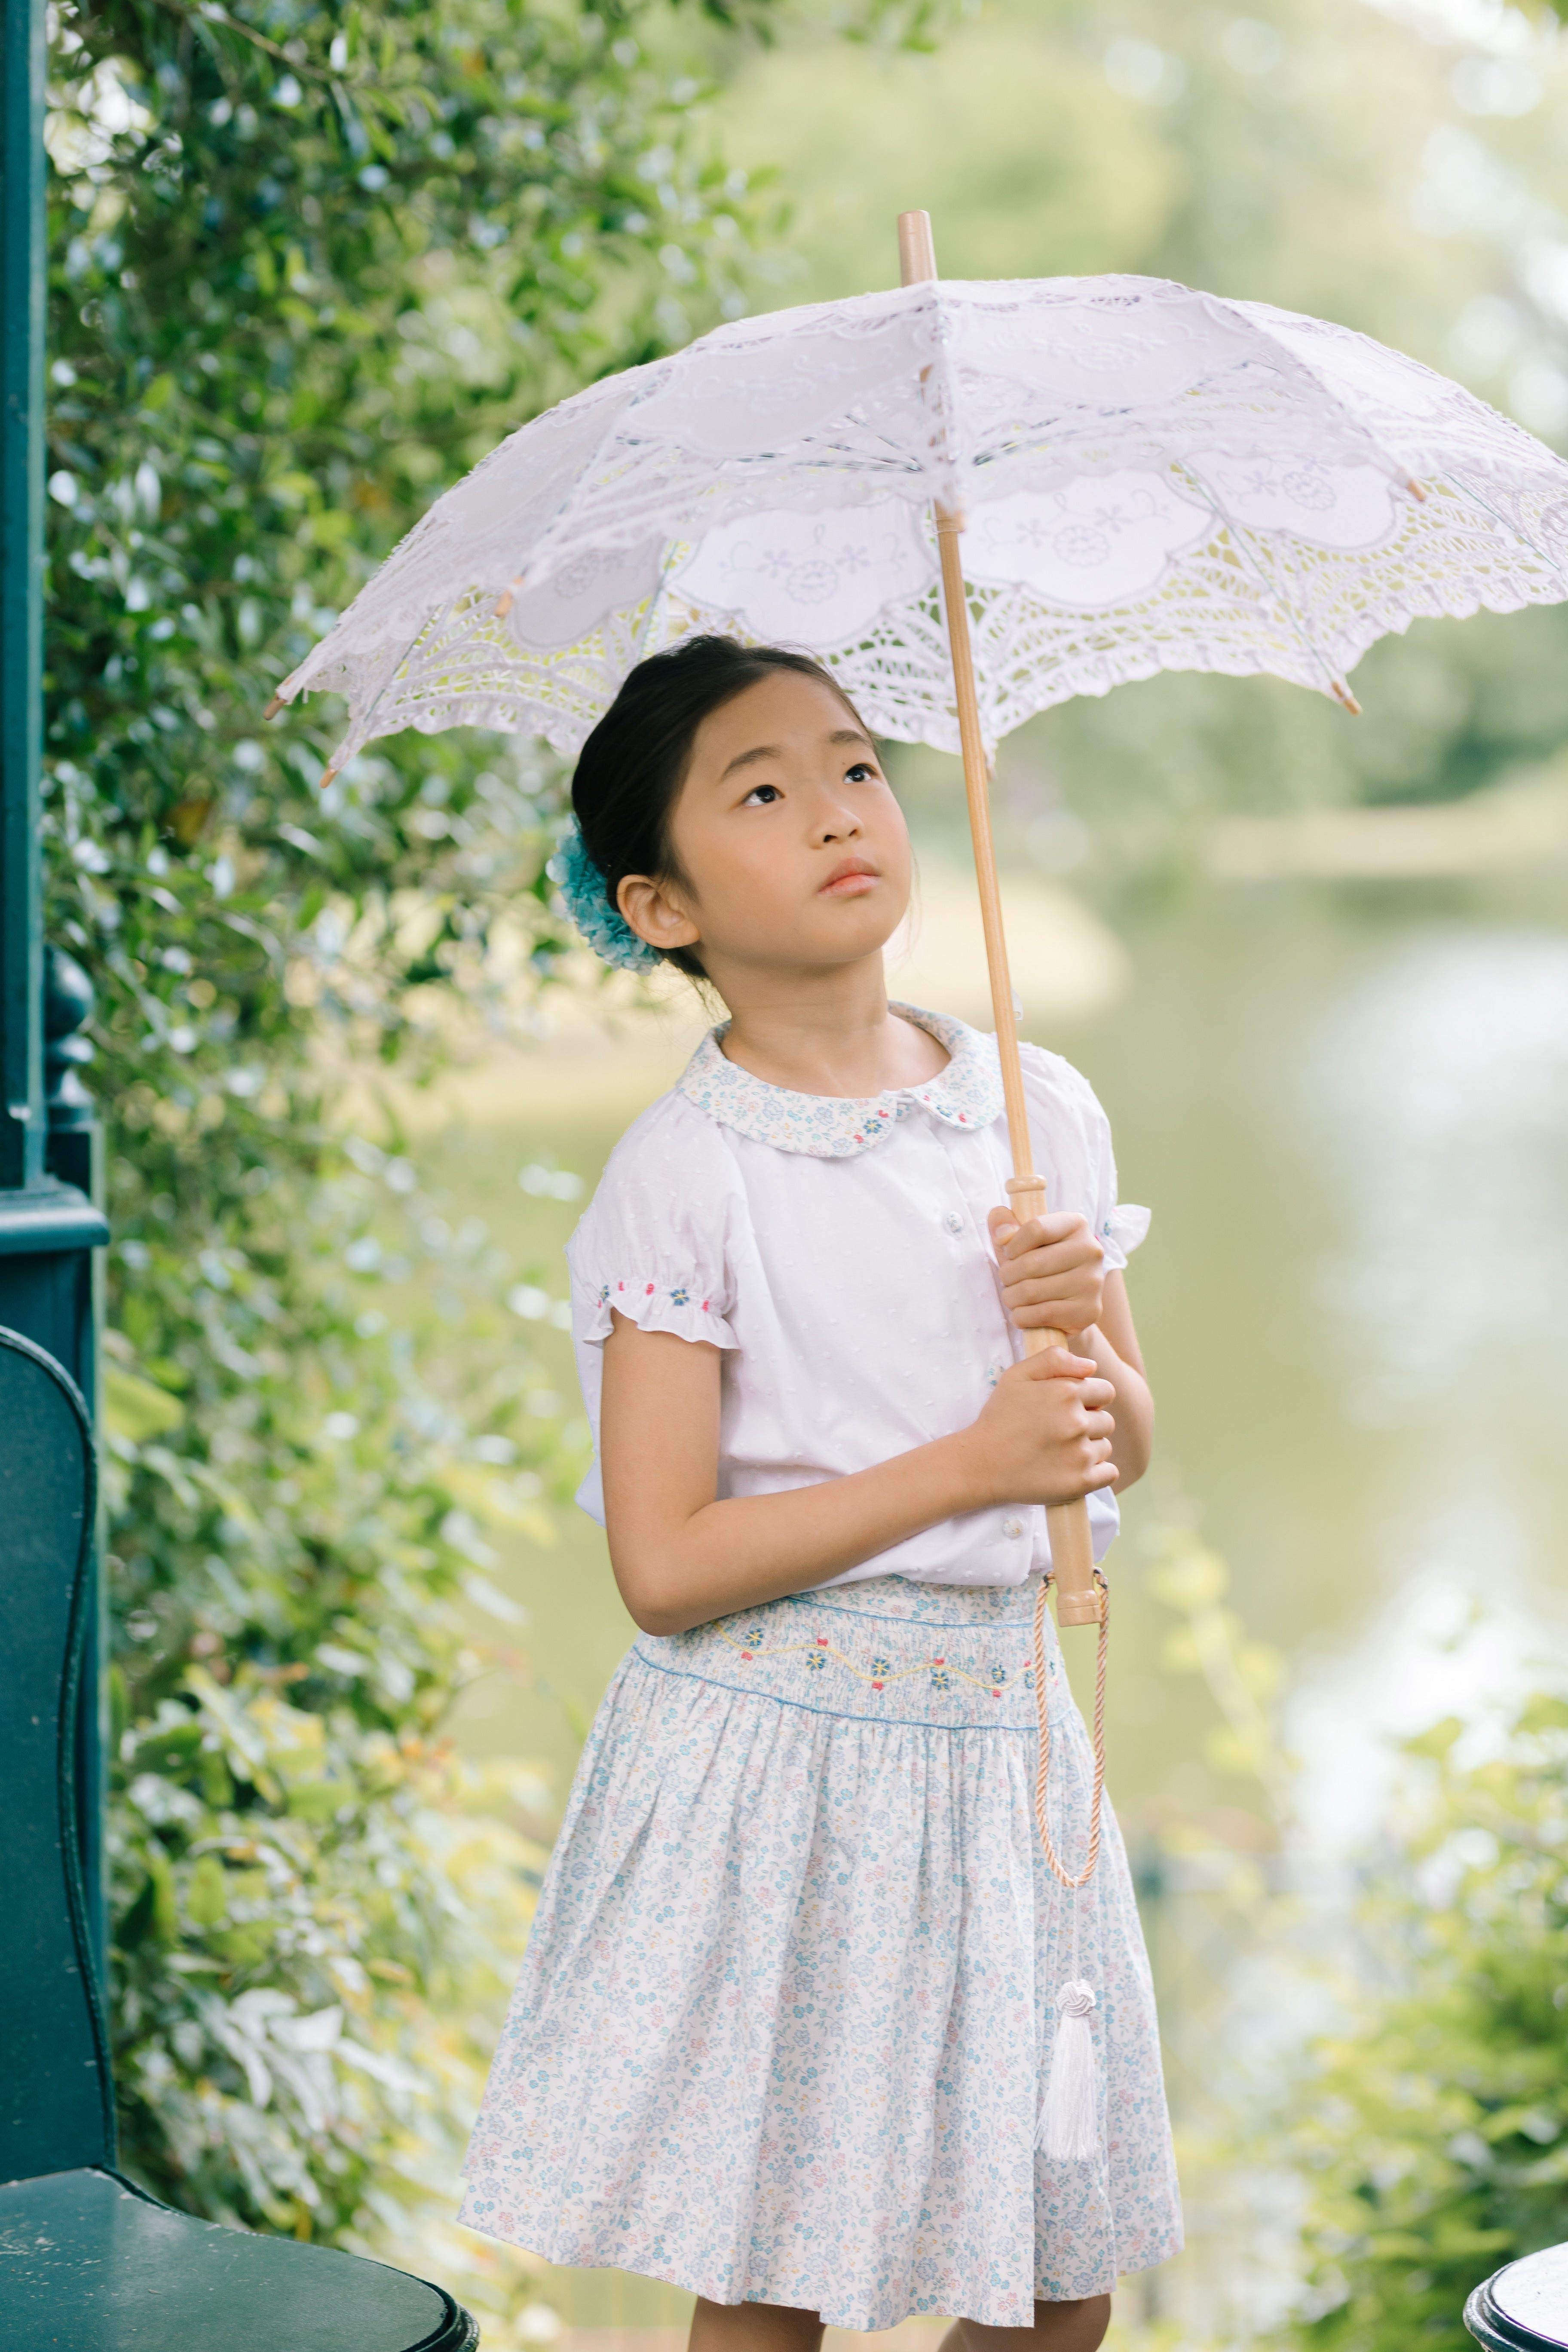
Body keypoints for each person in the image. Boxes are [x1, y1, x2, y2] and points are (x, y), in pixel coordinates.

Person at [458, 636, 1182, 2352]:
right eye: (762, 792)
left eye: (854, 766)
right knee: (781, 2273)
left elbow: (1122, 1440)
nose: (837, 812)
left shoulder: (1036, 1108)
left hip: (1005, 1746)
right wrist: (967, 1465)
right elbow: (665, 1560)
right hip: (787, 1765)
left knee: (1054, 2276)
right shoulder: (688, 1175)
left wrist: (1078, 1338)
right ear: (661, 904)